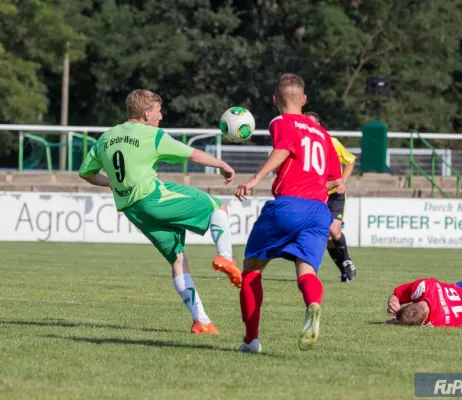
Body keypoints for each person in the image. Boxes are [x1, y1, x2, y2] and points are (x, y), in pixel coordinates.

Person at [79, 89, 242, 335]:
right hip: (152, 197)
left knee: (177, 259)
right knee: (218, 207)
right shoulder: (151, 135)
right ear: (146, 114)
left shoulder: (106, 138)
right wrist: (221, 164)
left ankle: (202, 321)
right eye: (158, 111)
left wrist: (112, 183)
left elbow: (86, 173)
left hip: (133, 210)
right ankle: (226, 256)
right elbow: (193, 154)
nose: (161, 116)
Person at [234, 73, 342, 353]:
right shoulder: (323, 134)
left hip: (288, 206)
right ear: (304, 100)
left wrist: (255, 178)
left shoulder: (280, 122)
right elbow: (335, 179)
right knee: (306, 272)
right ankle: (313, 304)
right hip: (319, 210)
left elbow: (284, 148)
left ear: (274, 101)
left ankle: (251, 340)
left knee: (251, 272)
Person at [304, 111, 356, 282]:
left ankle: (347, 260)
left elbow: (350, 160)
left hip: (334, 194)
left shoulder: (332, 142)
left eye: (313, 124)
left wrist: (344, 182)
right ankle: (344, 268)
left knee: (334, 231)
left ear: (319, 125)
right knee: (326, 236)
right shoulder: (305, 145)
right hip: (317, 195)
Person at [387, 272, 462, 327]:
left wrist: (396, 321)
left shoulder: (435, 322)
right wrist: (394, 301)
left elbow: (414, 318)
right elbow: (397, 294)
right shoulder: (425, 286)